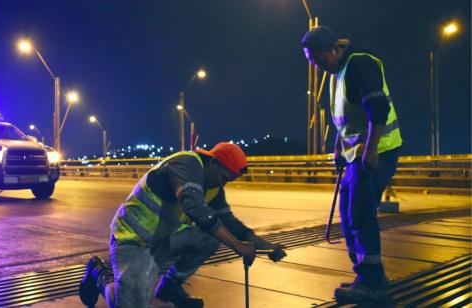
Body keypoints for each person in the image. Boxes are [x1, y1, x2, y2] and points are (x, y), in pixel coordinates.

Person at [79, 142, 286, 308]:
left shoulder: (212, 187)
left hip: (160, 241)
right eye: (224, 177)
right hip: (131, 240)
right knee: (129, 304)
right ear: (214, 163)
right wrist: (237, 245)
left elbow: (232, 225)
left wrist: (266, 246)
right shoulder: (186, 163)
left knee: (210, 238)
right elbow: (194, 207)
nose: (223, 184)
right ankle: (99, 274)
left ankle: (170, 285)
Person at [301, 26, 403, 303]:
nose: (320, 67)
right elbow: (343, 118)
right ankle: (366, 275)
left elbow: (378, 108)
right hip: (354, 155)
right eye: (314, 63)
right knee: (348, 213)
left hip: (377, 152)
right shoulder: (337, 72)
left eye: (320, 60)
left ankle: (372, 283)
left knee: (360, 213)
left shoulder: (360, 64)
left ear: (335, 49)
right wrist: (337, 148)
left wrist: (370, 150)